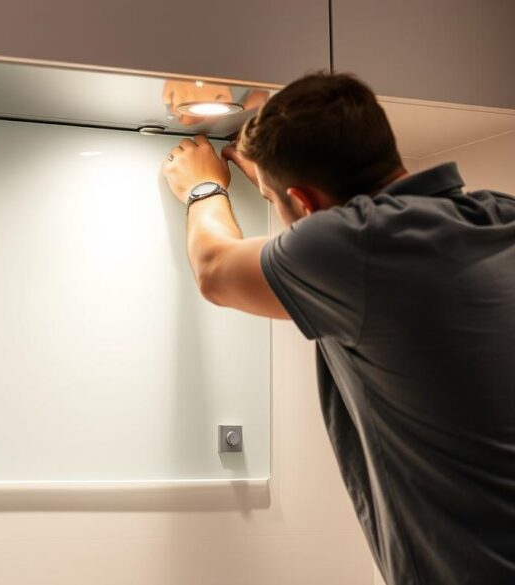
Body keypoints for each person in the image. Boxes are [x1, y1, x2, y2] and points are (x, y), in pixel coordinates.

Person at [160, 71, 515, 585]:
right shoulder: (497, 215)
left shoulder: (357, 247)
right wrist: (277, 178)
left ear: (305, 204)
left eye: (274, 202)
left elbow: (215, 270)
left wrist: (203, 186)